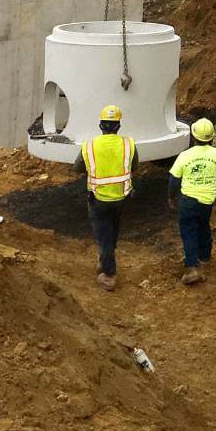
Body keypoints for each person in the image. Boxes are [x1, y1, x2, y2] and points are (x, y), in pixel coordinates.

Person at [71, 104, 136, 291]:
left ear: (101, 125)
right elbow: (135, 165)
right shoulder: (128, 144)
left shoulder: (90, 146)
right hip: (120, 197)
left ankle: (108, 274)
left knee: (103, 237)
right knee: (113, 229)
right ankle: (106, 257)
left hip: (98, 199)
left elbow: (77, 168)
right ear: (118, 126)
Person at [166, 117, 216, 285]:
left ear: (193, 137)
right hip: (207, 201)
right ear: (212, 137)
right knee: (203, 226)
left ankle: (192, 266)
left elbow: (174, 179)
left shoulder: (185, 156)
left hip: (188, 201)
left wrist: (172, 197)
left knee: (189, 231)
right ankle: (205, 257)